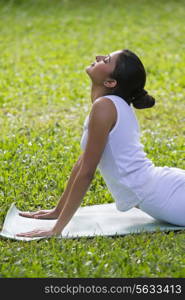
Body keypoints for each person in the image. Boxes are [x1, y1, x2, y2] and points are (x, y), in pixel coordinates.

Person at [17, 49, 185, 237]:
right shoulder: (109, 105)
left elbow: (87, 173)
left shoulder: (105, 106)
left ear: (110, 82)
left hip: (166, 194)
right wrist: (56, 212)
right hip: (163, 189)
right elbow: (82, 163)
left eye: (106, 59)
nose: (98, 57)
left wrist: (56, 230)